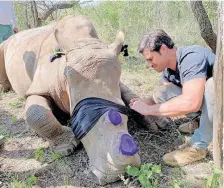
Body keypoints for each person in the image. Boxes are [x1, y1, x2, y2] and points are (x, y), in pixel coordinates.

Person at [130, 29, 215, 166]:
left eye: (150, 59)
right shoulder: (168, 71)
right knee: (162, 92)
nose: (149, 65)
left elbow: (191, 102)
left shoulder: (191, 57)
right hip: (212, 106)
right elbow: (157, 99)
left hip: (218, 101)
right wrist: (133, 106)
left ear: (163, 49)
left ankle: (198, 146)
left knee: (212, 86)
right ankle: (201, 121)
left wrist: (147, 110)